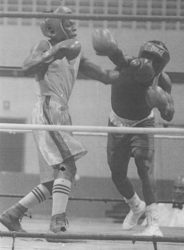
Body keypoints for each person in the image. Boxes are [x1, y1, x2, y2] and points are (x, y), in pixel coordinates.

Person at [0, 7, 124, 234]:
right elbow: (26, 67)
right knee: (68, 167)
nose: (74, 26)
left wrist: (125, 63)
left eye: (73, 21)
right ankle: (57, 224)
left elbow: (107, 78)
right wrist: (55, 51)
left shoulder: (76, 53)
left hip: (60, 112)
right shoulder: (44, 45)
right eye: (67, 23)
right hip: (48, 107)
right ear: (52, 28)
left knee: (53, 181)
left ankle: (12, 214)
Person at [92, 29, 175, 236]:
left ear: (160, 66)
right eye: (146, 57)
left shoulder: (163, 81)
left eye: (153, 60)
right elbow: (117, 55)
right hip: (117, 122)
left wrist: (163, 104)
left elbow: (170, 114)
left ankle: (154, 224)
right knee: (117, 173)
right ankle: (136, 206)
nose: (147, 62)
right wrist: (109, 47)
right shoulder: (128, 64)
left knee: (144, 168)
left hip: (143, 123)